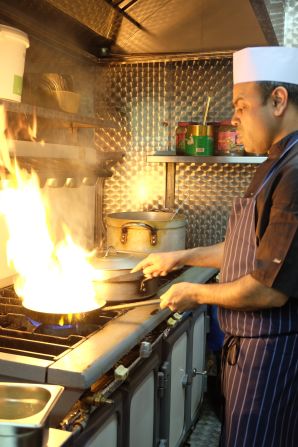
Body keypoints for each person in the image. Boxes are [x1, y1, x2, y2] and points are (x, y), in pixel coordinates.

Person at [132, 47, 298, 447]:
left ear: (278, 100)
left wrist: (195, 292)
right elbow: (247, 249)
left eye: (241, 105)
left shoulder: (295, 173)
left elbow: (268, 288)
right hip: (251, 348)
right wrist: (181, 256)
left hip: (270, 353)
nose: (234, 117)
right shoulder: (276, 162)